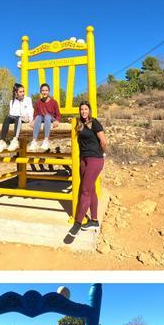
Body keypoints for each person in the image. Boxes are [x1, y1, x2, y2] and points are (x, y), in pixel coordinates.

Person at [65, 101, 108, 242]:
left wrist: (101, 154)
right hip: (83, 160)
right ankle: (94, 220)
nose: (84, 111)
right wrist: (69, 120)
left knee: (84, 190)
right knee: (91, 190)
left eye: (86, 109)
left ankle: (77, 223)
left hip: (95, 159)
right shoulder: (80, 124)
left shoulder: (94, 123)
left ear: (89, 110)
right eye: (81, 109)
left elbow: (104, 141)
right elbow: (73, 123)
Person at [0, 83, 33, 153]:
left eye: (23, 91)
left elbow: (30, 110)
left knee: (18, 117)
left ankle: (15, 140)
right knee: (7, 117)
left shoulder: (27, 99)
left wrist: (31, 120)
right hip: (16, 119)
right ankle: (2, 141)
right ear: (16, 93)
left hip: (25, 119)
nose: (23, 93)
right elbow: (11, 114)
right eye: (20, 92)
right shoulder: (12, 101)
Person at [28, 84, 61, 152]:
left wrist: (57, 121)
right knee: (38, 117)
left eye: (46, 90)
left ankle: (46, 140)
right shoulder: (38, 102)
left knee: (47, 116)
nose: (44, 92)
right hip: (42, 118)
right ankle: (34, 141)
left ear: (49, 91)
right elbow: (35, 114)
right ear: (40, 92)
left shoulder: (54, 102)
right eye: (43, 90)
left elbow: (58, 114)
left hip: (51, 118)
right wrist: (33, 120)